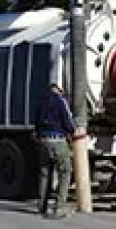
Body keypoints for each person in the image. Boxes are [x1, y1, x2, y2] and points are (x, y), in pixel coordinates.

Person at [35, 83, 76, 217]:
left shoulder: (42, 102)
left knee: (44, 172)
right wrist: (72, 130)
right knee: (65, 171)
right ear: (59, 91)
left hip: (43, 141)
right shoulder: (60, 102)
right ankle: (59, 206)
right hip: (58, 140)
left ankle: (41, 206)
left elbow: (37, 122)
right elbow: (68, 123)